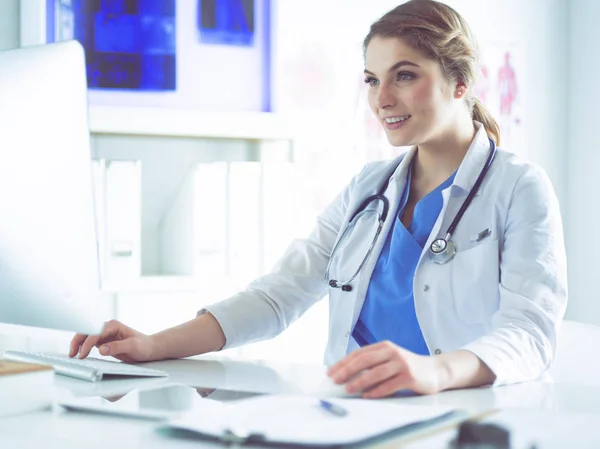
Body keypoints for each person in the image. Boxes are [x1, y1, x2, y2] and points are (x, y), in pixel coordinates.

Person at [70, 0, 567, 399]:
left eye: (405, 75)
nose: (382, 99)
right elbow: (279, 294)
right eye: (372, 80)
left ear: (461, 82)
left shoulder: (518, 187)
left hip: (460, 418)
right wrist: (152, 344)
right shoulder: (368, 188)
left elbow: (529, 334)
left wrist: (434, 371)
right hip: (352, 414)